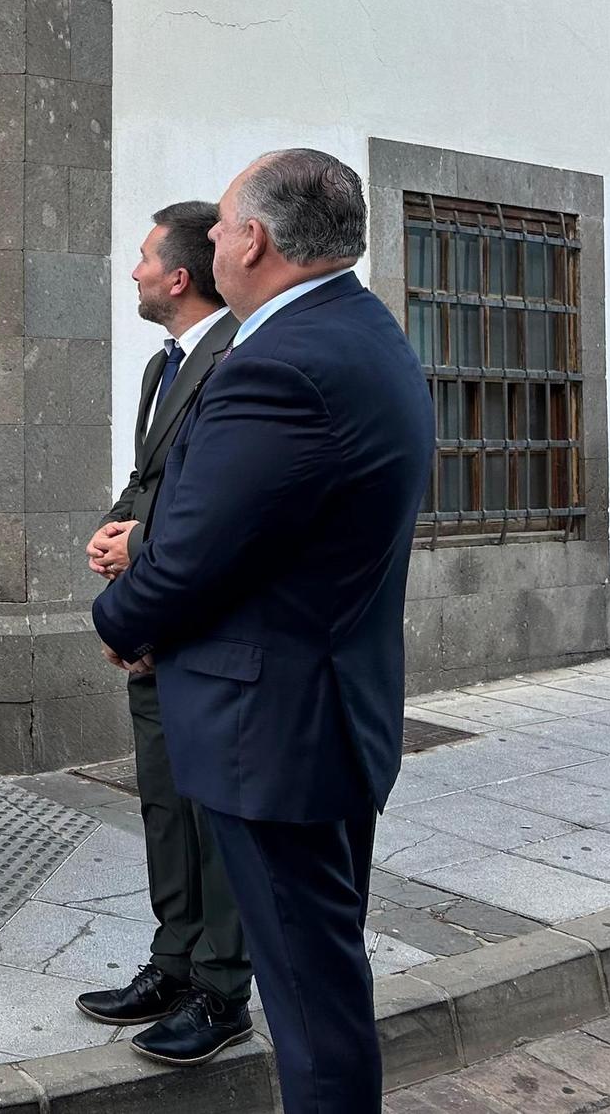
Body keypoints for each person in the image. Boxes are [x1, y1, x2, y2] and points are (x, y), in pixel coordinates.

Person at [91, 151, 434, 1114]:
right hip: (323, 710)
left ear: (252, 239)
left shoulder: (280, 364)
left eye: (218, 226)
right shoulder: (360, 329)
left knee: (311, 1000)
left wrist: (120, 618)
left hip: (276, 729)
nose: (205, 243)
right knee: (320, 978)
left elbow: (198, 549)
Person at [77, 202, 252, 1065]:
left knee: (213, 816)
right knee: (163, 804)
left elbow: (219, 506)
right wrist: (115, 528)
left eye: (146, 259)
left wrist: (142, 559)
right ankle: (173, 961)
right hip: (152, 609)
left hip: (197, 619)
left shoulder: (237, 358)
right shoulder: (164, 364)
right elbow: (152, 478)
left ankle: (223, 990)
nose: (137, 271)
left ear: (180, 277)